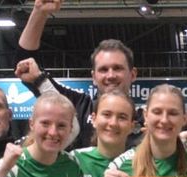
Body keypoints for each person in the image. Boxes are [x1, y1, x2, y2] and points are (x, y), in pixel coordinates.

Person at [16, 0, 142, 149]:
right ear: (93, 77)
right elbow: (24, 65)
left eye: (117, 68)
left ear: (133, 74)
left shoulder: (147, 119)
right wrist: (39, 12)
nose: (110, 75)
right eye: (103, 69)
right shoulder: (77, 106)